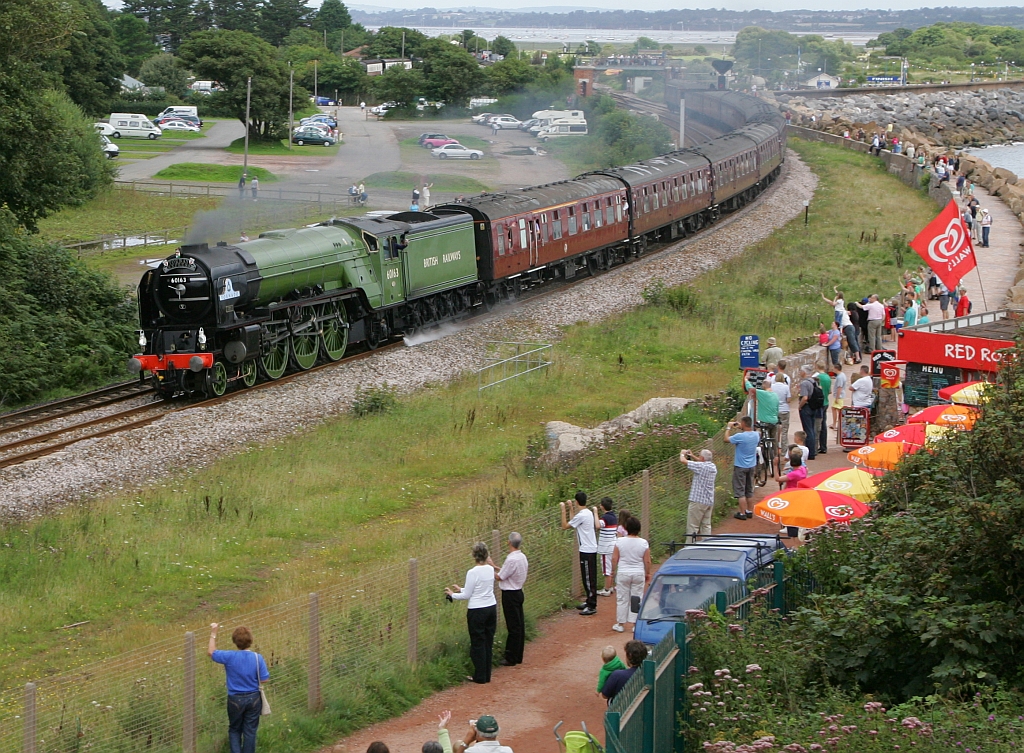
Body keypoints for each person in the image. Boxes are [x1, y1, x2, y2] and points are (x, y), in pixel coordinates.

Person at [208, 623, 269, 753]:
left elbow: (211, 652)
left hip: (235, 698)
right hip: (254, 698)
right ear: (250, 640)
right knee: (250, 731)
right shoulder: (257, 658)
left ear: (235, 642)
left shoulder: (229, 656)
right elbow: (264, 679)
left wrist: (213, 632)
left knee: (235, 729)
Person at [445, 542, 497, 684]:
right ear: (486, 554)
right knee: (488, 641)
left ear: (474, 555)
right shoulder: (490, 569)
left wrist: (452, 594)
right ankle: (486, 674)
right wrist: (461, 589)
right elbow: (479, 588)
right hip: (491, 607)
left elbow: (468, 595)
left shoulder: (472, 572)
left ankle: (480, 676)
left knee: (478, 642)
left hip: (477, 610)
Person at [490, 533, 527, 667]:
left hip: (510, 595)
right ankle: (518, 655)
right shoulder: (522, 557)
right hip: (518, 592)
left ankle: (511, 657)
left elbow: (500, 577)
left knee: (513, 626)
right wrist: (494, 566)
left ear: (509, 542)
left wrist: (487, 569)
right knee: (519, 624)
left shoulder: (511, 559)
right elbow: (508, 572)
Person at [560, 491, 599, 615]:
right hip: (589, 549)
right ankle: (589, 600)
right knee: (588, 577)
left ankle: (592, 605)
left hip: (587, 550)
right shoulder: (587, 513)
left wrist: (563, 510)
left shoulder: (582, 515)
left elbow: (565, 526)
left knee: (588, 578)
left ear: (577, 502)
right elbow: (574, 522)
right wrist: (571, 508)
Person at [611, 516, 651, 633]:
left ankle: (620, 624)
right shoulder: (643, 543)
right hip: (638, 572)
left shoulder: (619, 541)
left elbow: (614, 558)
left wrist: (613, 570)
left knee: (622, 598)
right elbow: (647, 561)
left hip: (623, 572)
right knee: (637, 598)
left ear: (626, 528)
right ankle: (634, 624)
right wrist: (647, 573)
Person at [726, 416, 759, 519]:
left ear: (743, 423)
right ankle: (749, 511)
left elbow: (726, 439)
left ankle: (742, 513)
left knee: (740, 491)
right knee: (749, 490)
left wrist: (728, 427)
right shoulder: (756, 435)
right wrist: (742, 427)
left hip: (740, 466)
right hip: (751, 465)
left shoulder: (739, 436)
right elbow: (748, 433)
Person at [681, 448, 717, 539]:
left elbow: (683, 461)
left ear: (702, 458)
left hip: (698, 501)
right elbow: (701, 462)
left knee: (693, 526)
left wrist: (682, 453)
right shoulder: (712, 466)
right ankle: (706, 544)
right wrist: (692, 456)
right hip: (709, 501)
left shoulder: (701, 467)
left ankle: (690, 546)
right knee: (706, 525)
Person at [774, 448, 807, 539]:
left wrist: (775, 466)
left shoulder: (794, 474)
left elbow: (778, 479)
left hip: (791, 494)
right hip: (799, 493)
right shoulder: (803, 469)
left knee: (790, 514)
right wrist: (789, 468)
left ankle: (791, 530)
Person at [797, 365, 822, 461]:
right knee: (811, 429)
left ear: (804, 372)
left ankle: (810, 452)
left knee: (808, 430)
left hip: (806, 407)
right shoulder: (813, 381)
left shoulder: (804, 383)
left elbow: (805, 397)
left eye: (801, 371)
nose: (800, 372)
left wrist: (800, 406)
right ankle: (813, 450)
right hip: (813, 407)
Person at [595, 498, 618, 597]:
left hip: (606, 547)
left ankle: (606, 589)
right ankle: (611, 586)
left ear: (602, 506)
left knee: (606, 569)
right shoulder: (614, 517)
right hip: (613, 546)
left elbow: (598, 525)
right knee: (611, 568)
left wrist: (595, 513)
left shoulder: (605, 518)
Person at [769, 360, 792, 447]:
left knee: (774, 430)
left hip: (774, 409)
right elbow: (788, 399)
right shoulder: (787, 383)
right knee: (784, 431)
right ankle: (784, 449)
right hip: (784, 409)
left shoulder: (772, 384)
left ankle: (774, 448)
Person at [816, 368, 831, 455]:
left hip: (820, 404)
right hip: (826, 402)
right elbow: (829, 391)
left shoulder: (818, 377)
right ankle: (823, 446)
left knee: (817, 425)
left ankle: (816, 446)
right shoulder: (828, 377)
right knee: (823, 425)